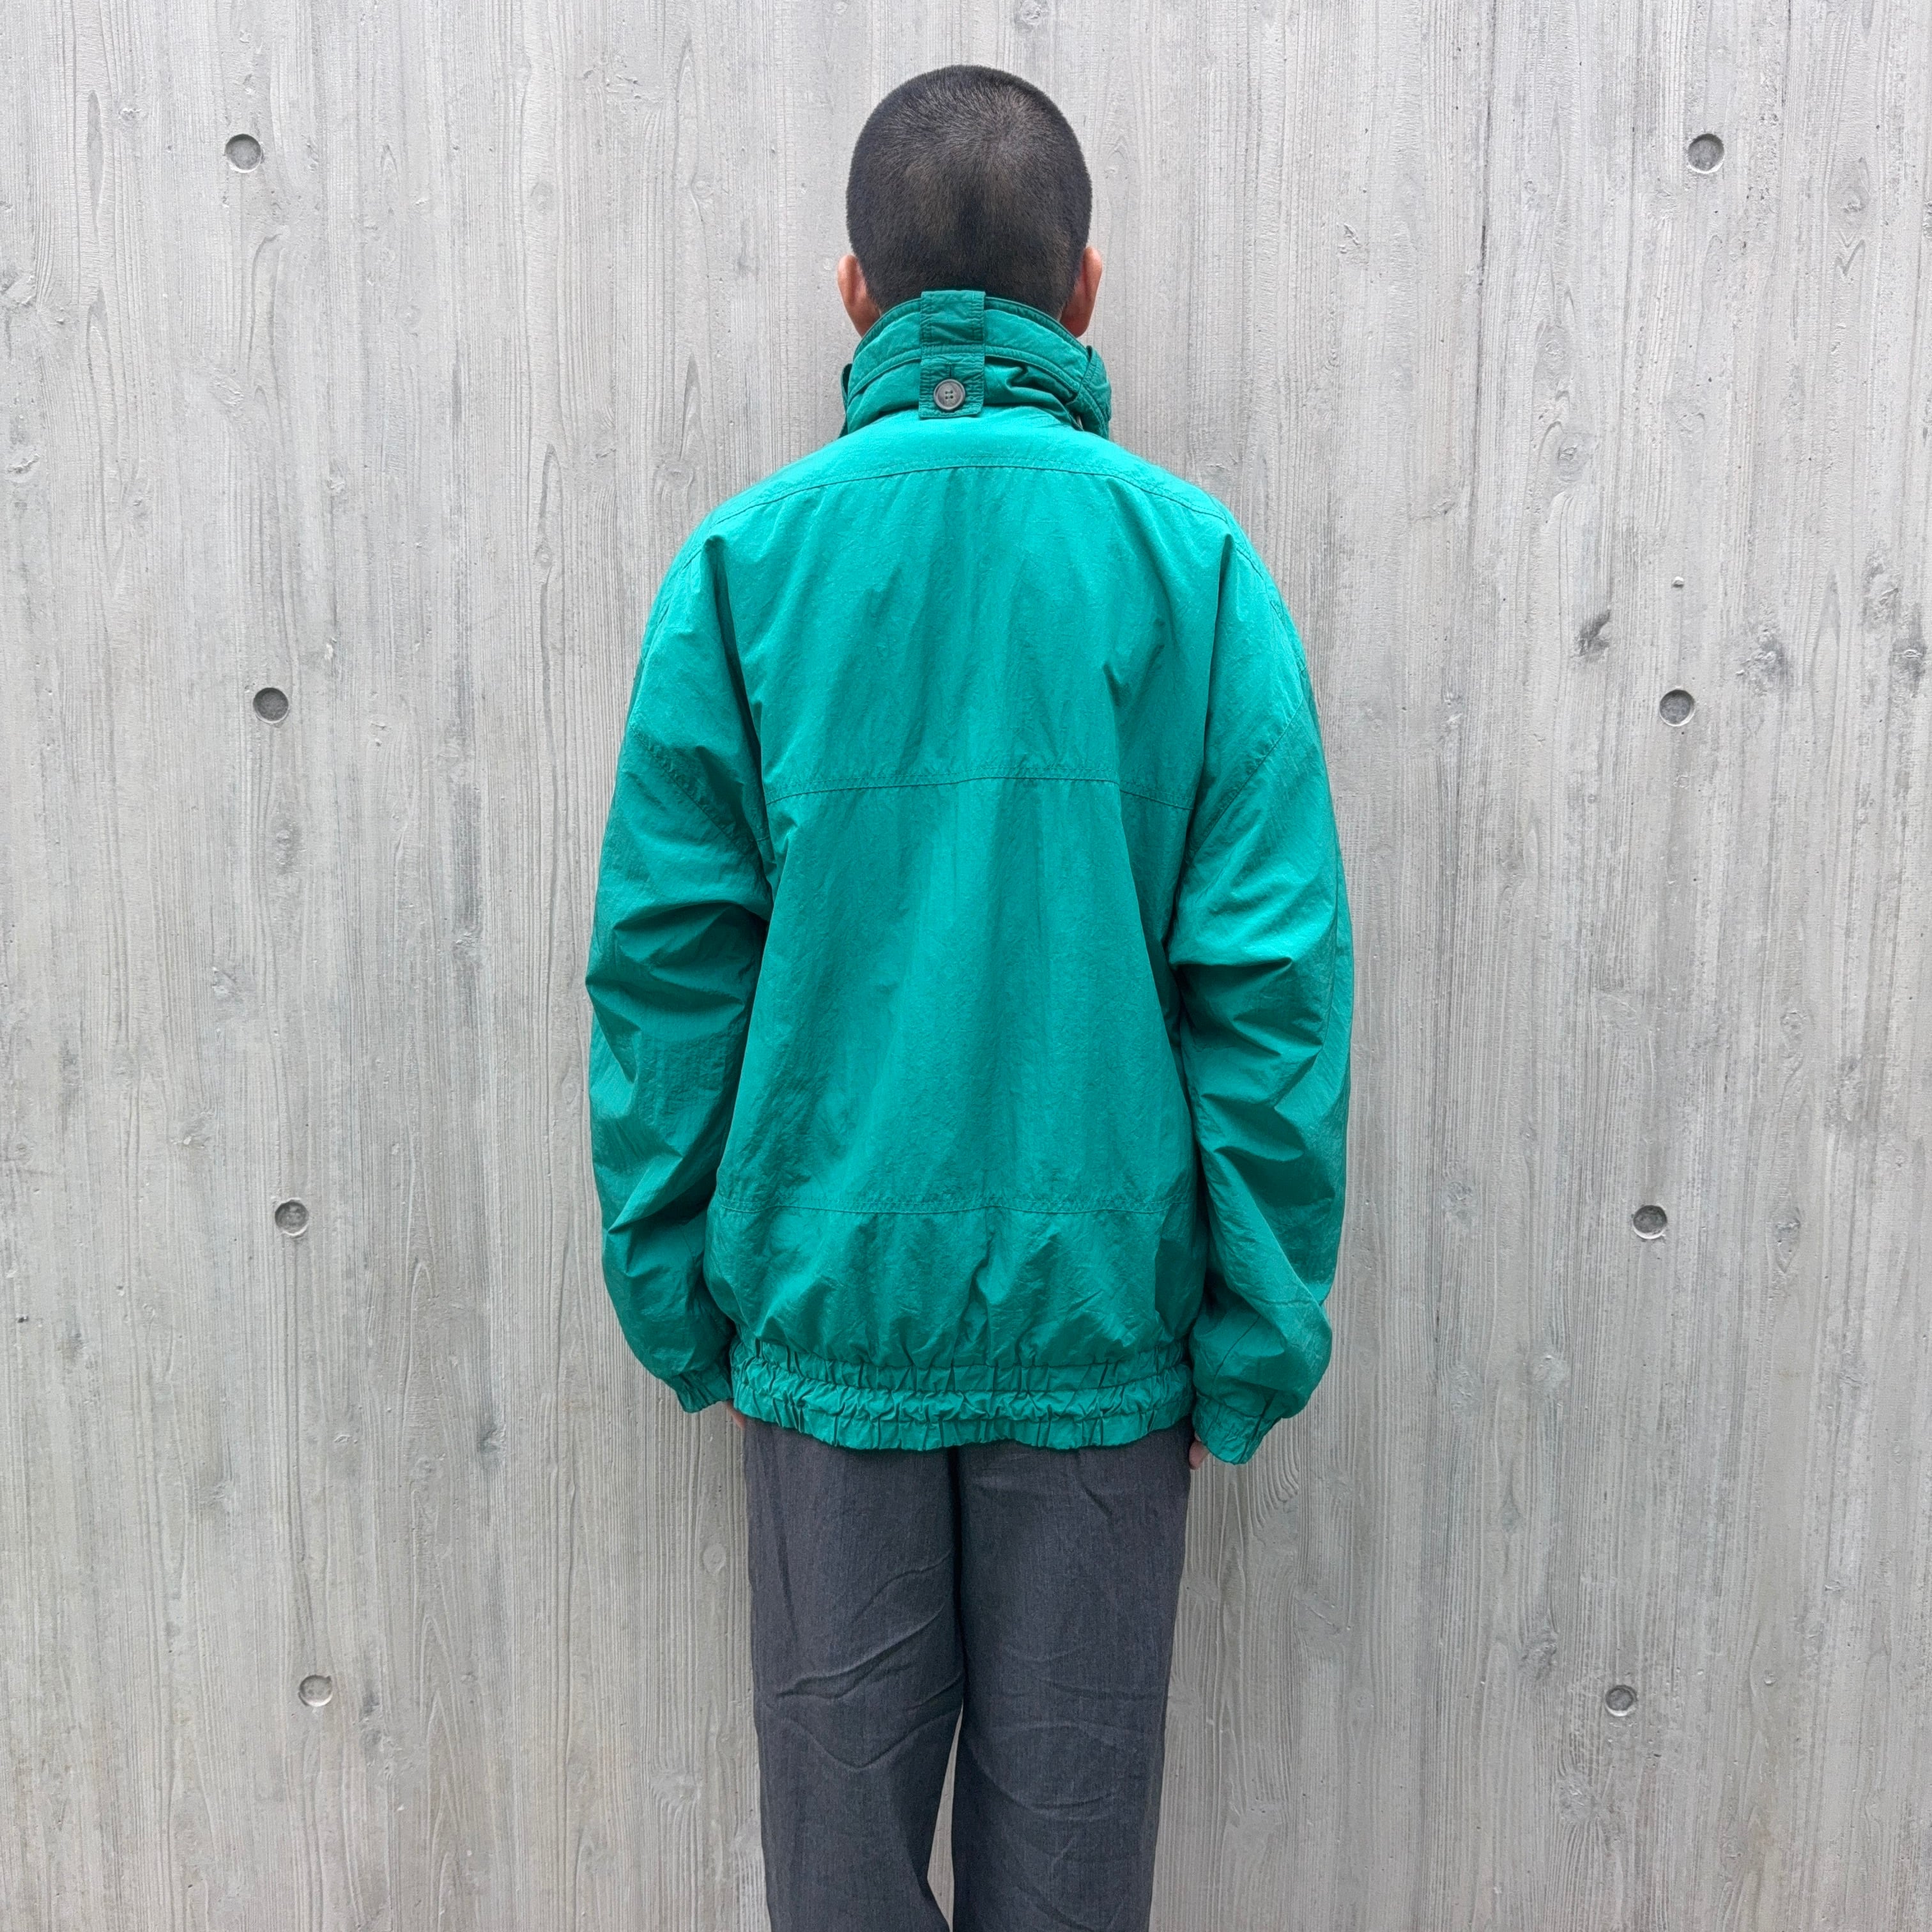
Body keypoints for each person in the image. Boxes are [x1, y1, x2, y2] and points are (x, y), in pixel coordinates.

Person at [584, 63, 1353, 1932]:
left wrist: (683, 1303)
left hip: (826, 1328)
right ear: (1084, 289)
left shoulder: (746, 570)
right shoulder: (1196, 572)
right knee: (1076, 1881)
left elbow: (668, 972)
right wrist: (1252, 1340)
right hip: (1102, 1343)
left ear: (855, 293)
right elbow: (1269, 992)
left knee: (838, 1882)